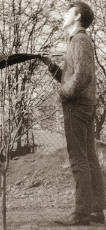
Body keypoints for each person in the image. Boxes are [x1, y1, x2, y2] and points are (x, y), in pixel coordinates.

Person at [39, 1, 106, 226]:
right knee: (89, 158)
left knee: (78, 159)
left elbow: (83, 76)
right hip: (84, 104)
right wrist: (50, 65)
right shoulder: (80, 41)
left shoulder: (79, 39)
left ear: (77, 17)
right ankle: (96, 211)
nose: (63, 16)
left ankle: (81, 213)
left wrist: (62, 95)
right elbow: (72, 77)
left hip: (76, 106)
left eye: (68, 12)